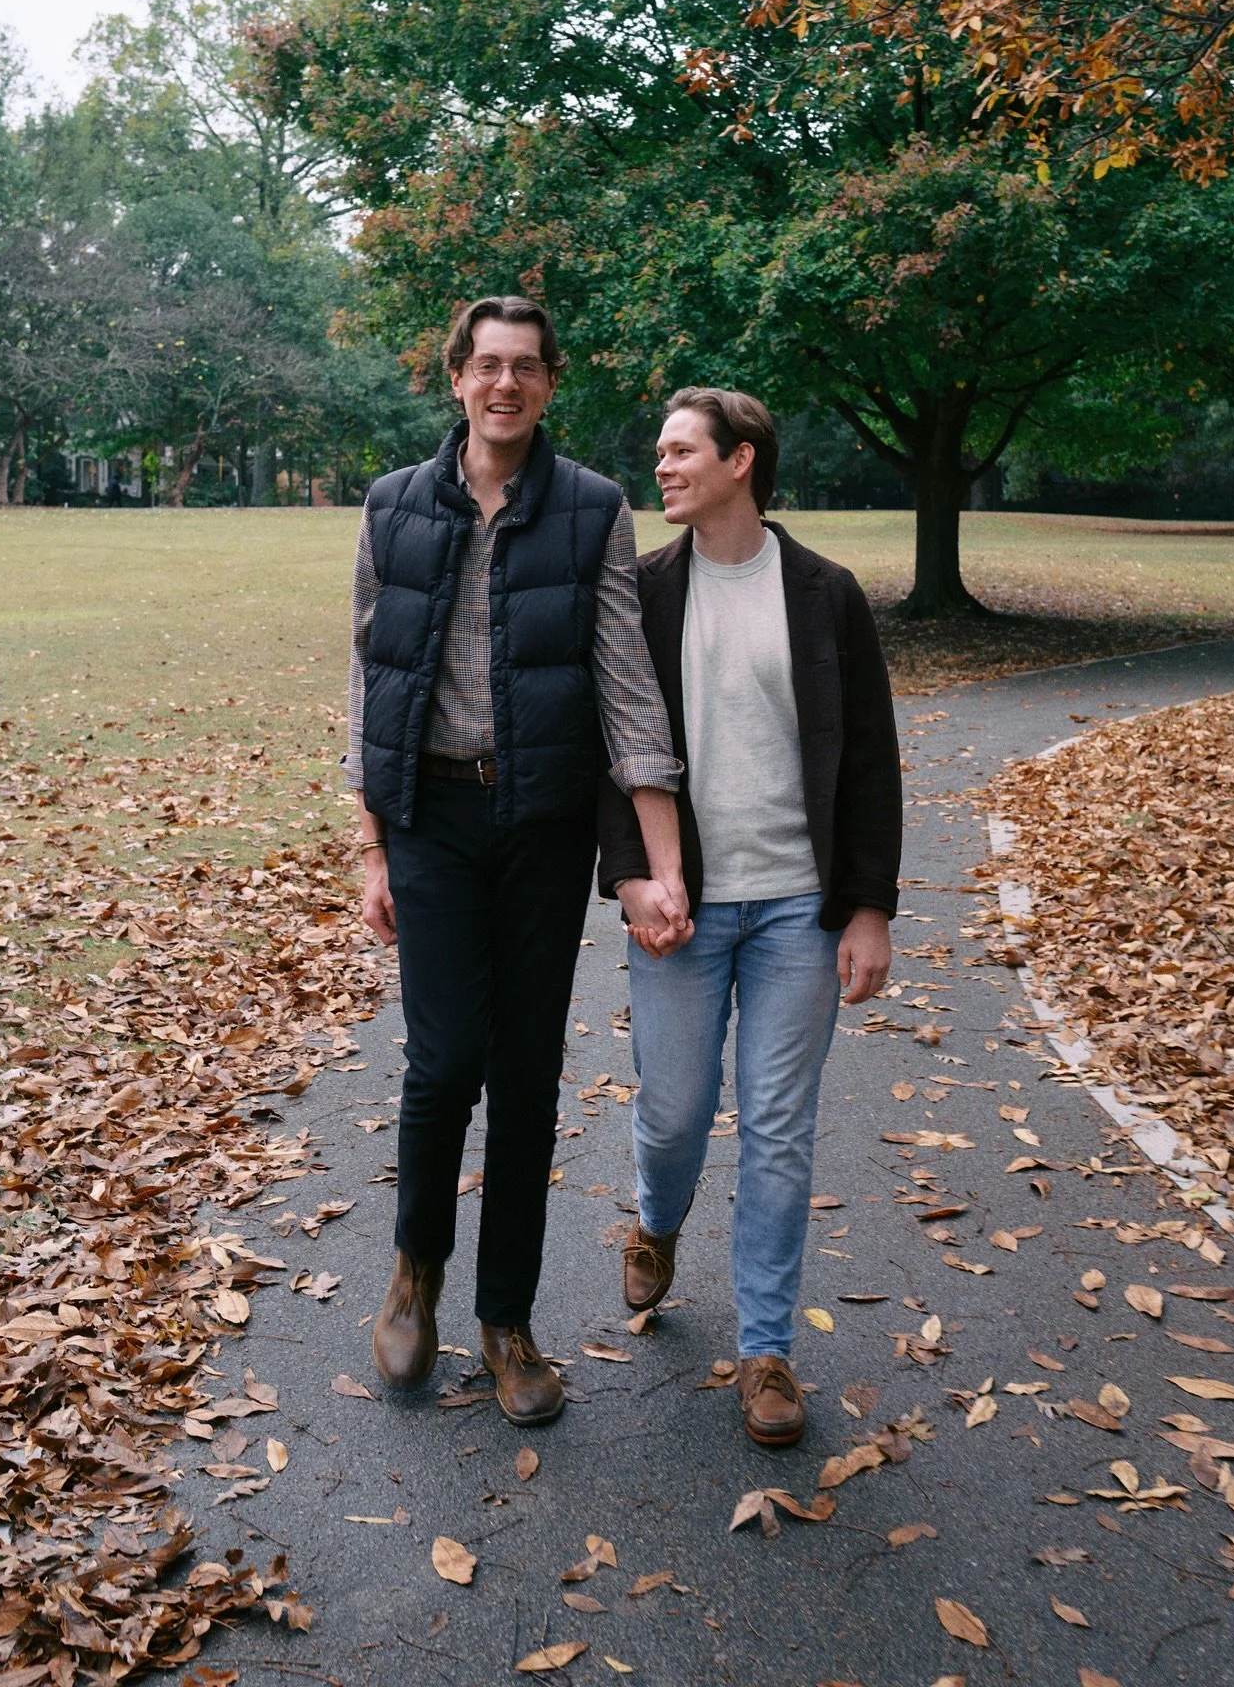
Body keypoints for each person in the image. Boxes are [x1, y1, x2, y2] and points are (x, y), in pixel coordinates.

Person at [346, 295, 690, 1427]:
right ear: (456, 378)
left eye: (525, 369)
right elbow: (372, 681)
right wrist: (373, 848)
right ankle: (415, 1276)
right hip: (433, 823)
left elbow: (628, 685)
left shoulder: (592, 509)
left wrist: (658, 851)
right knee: (444, 1064)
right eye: (485, 365)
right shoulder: (393, 505)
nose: (505, 385)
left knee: (529, 1078)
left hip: (540, 827)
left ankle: (507, 1320)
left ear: (549, 386)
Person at [598, 387, 902, 1448]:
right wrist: (632, 874)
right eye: (661, 452)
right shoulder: (640, 594)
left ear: (741, 462)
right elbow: (614, 752)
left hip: (796, 914)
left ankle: (768, 1349)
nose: (664, 467)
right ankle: (657, 1220)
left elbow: (868, 761)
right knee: (676, 1110)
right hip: (682, 908)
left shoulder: (826, 595)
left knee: (776, 1129)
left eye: (682, 451)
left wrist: (868, 908)